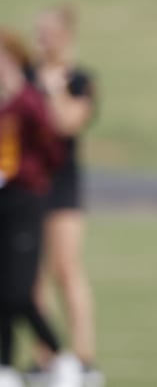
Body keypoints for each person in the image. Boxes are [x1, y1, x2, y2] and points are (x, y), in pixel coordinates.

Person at [0, 26, 82, 387]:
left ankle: (61, 358)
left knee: (19, 290)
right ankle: (4, 366)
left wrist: (29, 175)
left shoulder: (28, 102)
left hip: (25, 200)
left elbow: (53, 150)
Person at [28, 4, 103, 387]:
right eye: (40, 32)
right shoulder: (26, 77)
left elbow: (66, 123)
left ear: (66, 35)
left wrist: (53, 89)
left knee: (67, 269)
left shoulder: (79, 80)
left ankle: (84, 356)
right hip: (31, 182)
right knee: (34, 275)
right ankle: (48, 355)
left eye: (51, 32)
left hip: (63, 185)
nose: (44, 40)